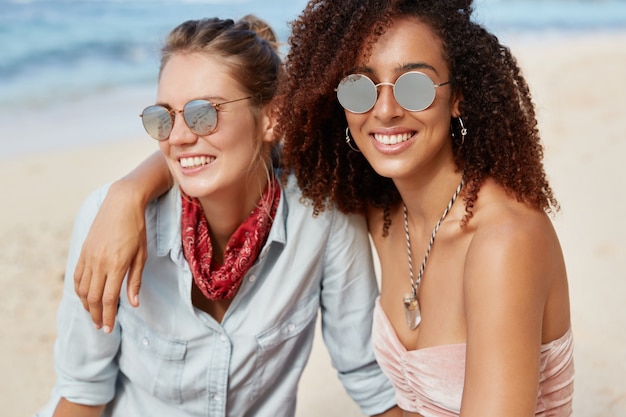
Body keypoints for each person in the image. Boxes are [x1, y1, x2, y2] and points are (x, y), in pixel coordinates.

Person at [72, 0, 575, 416]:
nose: (385, 109)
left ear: (459, 97)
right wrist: (129, 192)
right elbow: (227, 150)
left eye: (415, 85)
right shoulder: (378, 210)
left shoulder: (503, 242)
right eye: (359, 86)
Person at [37, 15, 398, 417]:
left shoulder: (321, 221)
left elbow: (368, 378)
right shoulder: (111, 221)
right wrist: (127, 192)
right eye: (164, 117)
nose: (178, 137)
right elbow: (83, 392)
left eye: (203, 113)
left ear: (271, 118)